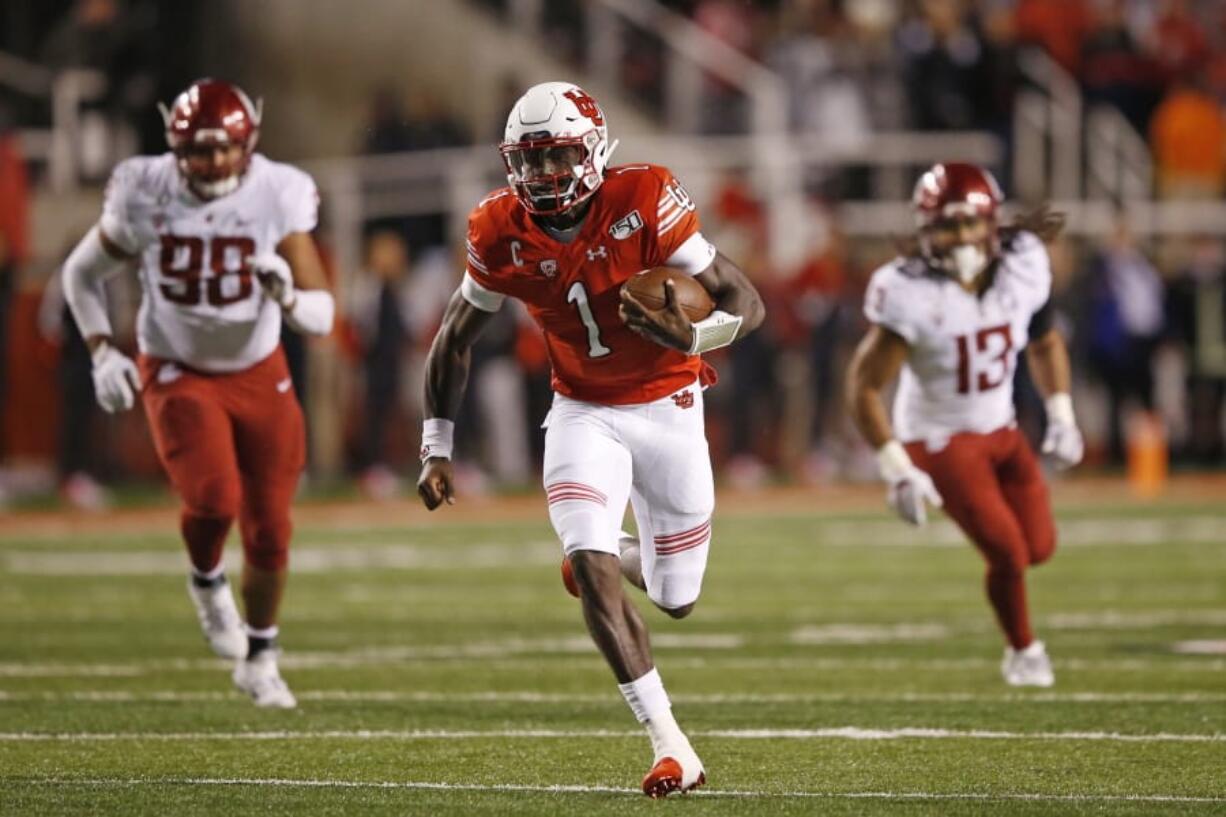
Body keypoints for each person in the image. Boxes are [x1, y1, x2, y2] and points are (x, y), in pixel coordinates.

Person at [416, 81, 764, 796]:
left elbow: (746, 301)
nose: (544, 175)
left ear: (596, 147)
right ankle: (673, 745)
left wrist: (696, 334)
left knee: (677, 595)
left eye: (560, 156)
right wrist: (436, 444)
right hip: (581, 411)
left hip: (671, 403)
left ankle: (616, 553)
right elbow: (454, 337)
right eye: (531, 160)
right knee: (590, 558)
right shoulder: (497, 227)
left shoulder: (644, 197)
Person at [60, 79, 335, 708]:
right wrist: (103, 349)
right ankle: (208, 581)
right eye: (196, 152)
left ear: (249, 143)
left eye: (222, 151)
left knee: (271, 527)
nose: (210, 165)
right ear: (174, 148)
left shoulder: (278, 191)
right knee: (213, 499)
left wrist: (287, 296)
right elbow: (80, 274)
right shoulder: (144, 188)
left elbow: (322, 316)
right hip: (178, 366)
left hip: (259, 368)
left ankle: (261, 656)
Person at [846, 162, 1083, 687]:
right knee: (1009, 552)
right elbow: (863, 385)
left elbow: (1045, 341)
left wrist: (1062, 411)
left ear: (992, 223)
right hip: (938, 439)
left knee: (1040, 546)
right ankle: (1024, 652)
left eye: (966, 224)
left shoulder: (1024, 263)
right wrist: (897, 469)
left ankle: (1022, 645)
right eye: (944, 227)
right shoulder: (908, 289)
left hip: (1001, 427)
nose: (957, 238)